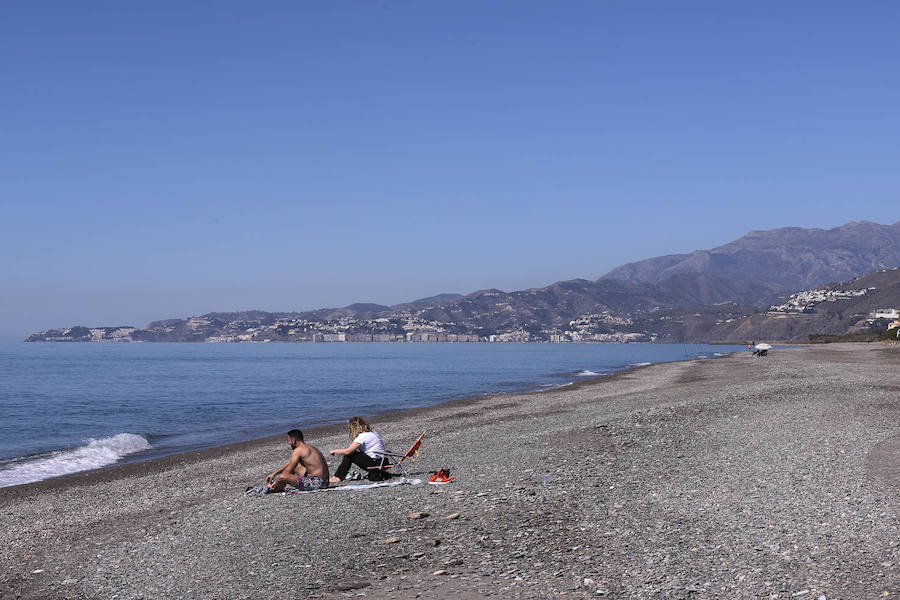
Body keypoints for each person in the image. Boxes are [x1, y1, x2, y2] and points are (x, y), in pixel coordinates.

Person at [329, 416, 391, 483]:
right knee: (352, 453)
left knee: (350, 455)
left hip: (376, 462)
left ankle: (338, 477)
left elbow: (347, 451)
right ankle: (337, 476)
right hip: (383, 460)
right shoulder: (373, 432)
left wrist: (335, 451)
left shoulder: (362, 436)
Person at [265, 429, 330, 492]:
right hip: (325, 481)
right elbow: (290, 463)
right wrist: (274, 473)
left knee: (284, 476)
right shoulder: (310, 448)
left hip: (317, 483)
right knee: (296, 467)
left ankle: (273, 488)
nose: (289, 443)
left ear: (293, 440)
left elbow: (286, 472)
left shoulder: (298, 450)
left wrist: (277, 481)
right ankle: (277, 486)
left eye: (289, 441)